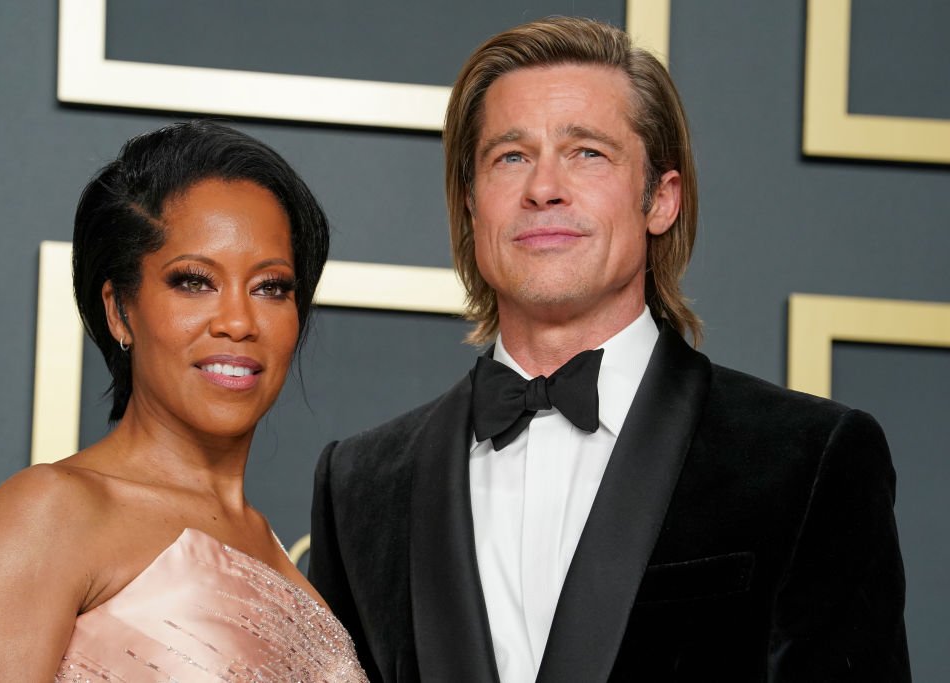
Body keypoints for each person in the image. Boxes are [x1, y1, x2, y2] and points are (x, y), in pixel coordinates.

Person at [308, 17, 910, 683]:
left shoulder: (811, 460)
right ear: (472, 205)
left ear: (661, 199)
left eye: (587, 152)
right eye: (511, 156)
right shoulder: (358, 485)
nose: (544, 188)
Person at [0, 121, 367, 682]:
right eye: (193, 281)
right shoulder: (49, 517)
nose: (238, 321)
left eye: (270, 287)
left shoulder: (285, 564)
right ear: (119, 311)